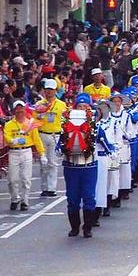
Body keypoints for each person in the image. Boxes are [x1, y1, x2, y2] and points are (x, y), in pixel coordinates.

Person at [58, 94, 100, 238]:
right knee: (72, 198)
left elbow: (103, 139)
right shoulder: (66, 124)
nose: (82, 109)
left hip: (89, 166)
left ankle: (87, 227)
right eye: (79, 106)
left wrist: (111, 150)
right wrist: (60, 149)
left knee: (89, 197)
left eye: (85, 106)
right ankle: (74, 227)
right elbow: (61, 141)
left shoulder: (94, 124)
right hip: (71, 166)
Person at [2, 100, 44, 211]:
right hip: (14, 152)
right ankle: (15, 198)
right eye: (17, 109)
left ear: (24, 110)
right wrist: (13, 141)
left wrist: (42, 153)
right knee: (12, 179)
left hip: (26, 151)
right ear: (14, 111)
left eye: (21, 109)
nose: (19, 111)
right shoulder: (9, 124)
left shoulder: (30, 124)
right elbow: (7, 137)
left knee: (26, 178)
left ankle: (25, 201)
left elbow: (37, 139)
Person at [34, 78, 66, 197]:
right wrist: (40, 115)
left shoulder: (61, 105)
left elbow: (64, 120)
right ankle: (44, 187)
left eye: (51, 89)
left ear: (55, 90)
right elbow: (34, 120)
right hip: (42, 134)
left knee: (53, 162)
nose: (49, 92)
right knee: (44, 163)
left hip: (55, 135)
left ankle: (52, 188)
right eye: (47, 89)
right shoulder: (39, 104)